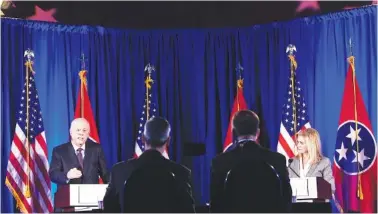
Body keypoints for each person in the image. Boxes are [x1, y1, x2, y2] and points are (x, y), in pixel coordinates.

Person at [103, 116, 195, 213]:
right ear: (168, 141)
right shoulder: (181, 173)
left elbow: (109, 210)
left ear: (143, 138)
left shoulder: (119, 171)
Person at [210, 110, 292, 212]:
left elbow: (216, 204)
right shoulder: (277, 160)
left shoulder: (220, 162)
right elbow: (286, 200)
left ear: (234, 132)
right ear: (258, 132)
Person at [49, 118, 108, 185]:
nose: (81, 133)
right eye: (78, 130)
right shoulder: (59, 151)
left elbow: (105, 174)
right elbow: (53, 174)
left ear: (88, 134)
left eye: (84, 130)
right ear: (71, 132)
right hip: (68, 193)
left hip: (92, 193)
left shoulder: (96, 149)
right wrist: (67, 176)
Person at [288, 128, 335, 193]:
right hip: (295, 202)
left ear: (311, 144)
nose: (298, 145)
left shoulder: (324, 162)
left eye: (301, 143)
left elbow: (331, 188)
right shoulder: (292, 162)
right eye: (297, 142)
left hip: (316, 202)